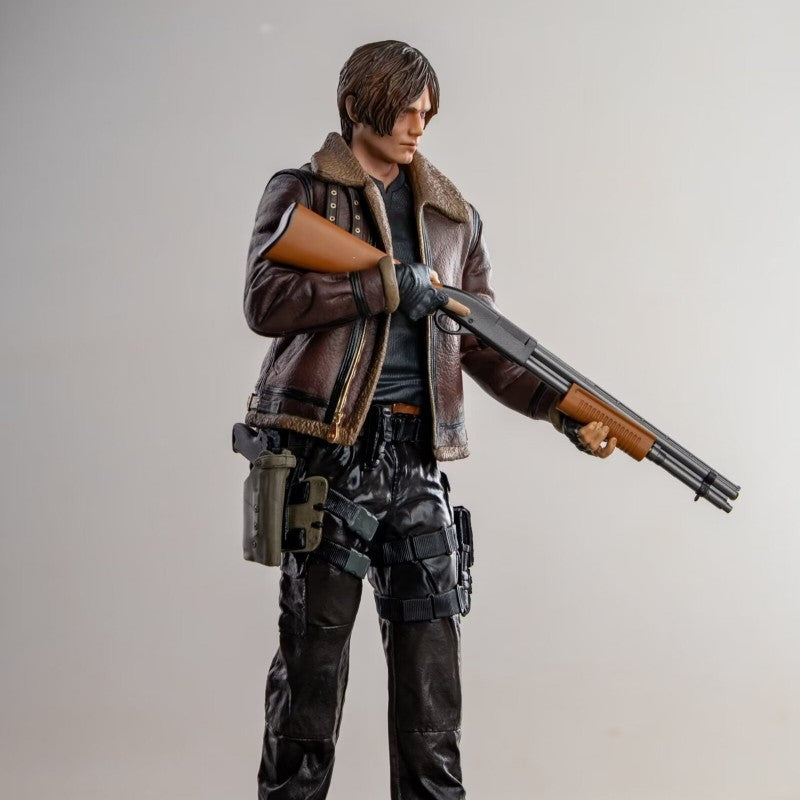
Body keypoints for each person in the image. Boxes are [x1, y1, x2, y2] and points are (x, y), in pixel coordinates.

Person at [243, 40, 615, 800]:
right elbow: (266, 300)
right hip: (329, 459)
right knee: (309, 686)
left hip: (419, 461)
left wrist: (559, 409)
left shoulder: (452, 217)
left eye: (427, 111)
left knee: (432, 699)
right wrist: (378, 288)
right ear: (359, 107)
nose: (420, 123)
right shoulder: (306, 194)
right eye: (406, 109)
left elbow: (481, 344)